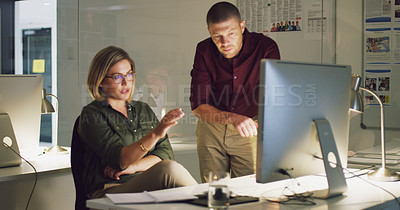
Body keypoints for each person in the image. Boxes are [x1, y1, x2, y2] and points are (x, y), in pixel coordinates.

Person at [79, 46, 197, 199]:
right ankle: (213, 202)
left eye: (129, 74)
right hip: (110, 190)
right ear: (100, 81)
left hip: (148, 185)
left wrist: (134, 167)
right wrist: (156, 133)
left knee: (174, 179)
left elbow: (165, 153)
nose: (126, 82)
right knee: (170, 171)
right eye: (117, 77)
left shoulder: (142, 109)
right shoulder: (92, 114)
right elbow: (120, 160)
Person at [190, 2, 280, 182]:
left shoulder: (265, 47)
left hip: (249, 129)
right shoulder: (203, 50)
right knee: (213, 193)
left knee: (250, 193)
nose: (225, 43)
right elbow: (198, 106)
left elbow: (274, 100)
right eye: (217, 36)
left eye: (231, 33)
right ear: (209, 31)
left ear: (242, 26)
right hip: (211, 129)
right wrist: (232, 118)